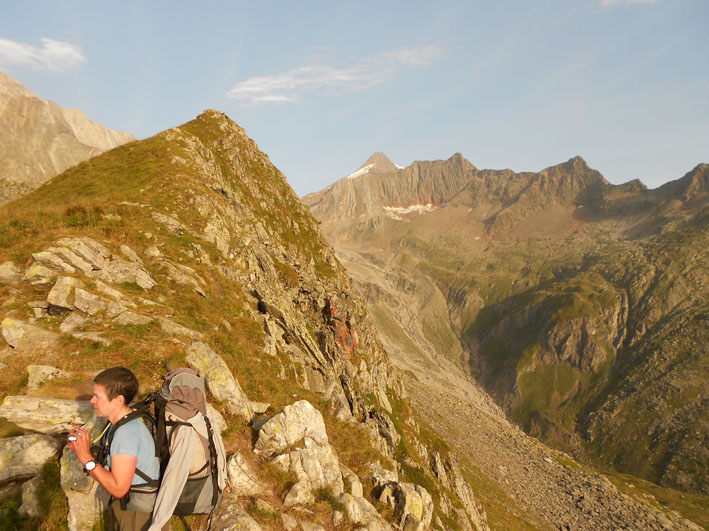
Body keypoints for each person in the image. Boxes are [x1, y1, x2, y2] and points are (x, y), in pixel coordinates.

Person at [68, 367, 168, 531]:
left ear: (118, 400)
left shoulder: (125, 433)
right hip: (133, 511)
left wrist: (86, 458)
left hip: (138, 518)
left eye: (98, 396)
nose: (92, 400)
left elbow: (119, 488)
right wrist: (81, 449)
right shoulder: (120, 425)